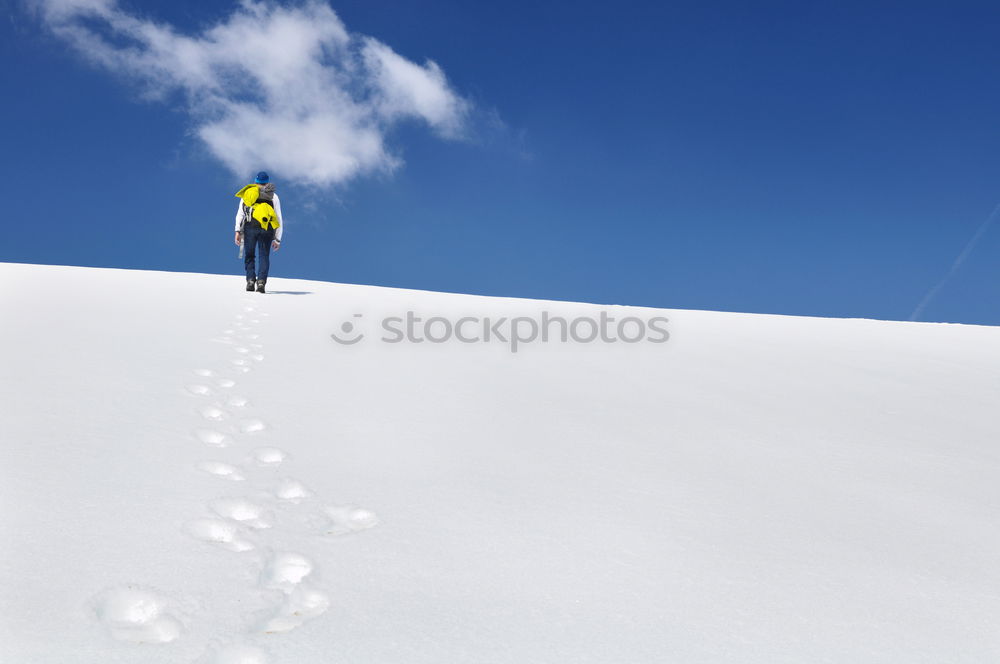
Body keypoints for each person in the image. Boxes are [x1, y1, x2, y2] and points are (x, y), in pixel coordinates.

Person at [234, 171, 283, 293]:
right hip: (267, 229)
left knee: (250, 255)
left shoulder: (248, 193)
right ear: (267, 183)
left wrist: (237, 231)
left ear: (255, 181)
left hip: (250, 227)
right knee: (264, 256)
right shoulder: (273, 196)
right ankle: (261, 282)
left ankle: (250, 280)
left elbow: (241, 214)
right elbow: (278, 217)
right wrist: (277, 239)